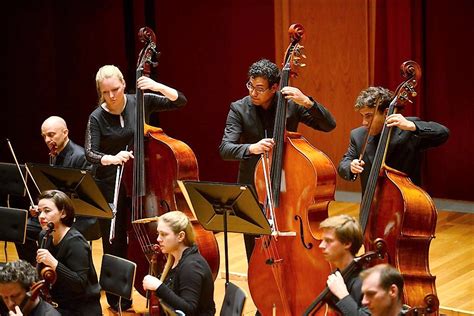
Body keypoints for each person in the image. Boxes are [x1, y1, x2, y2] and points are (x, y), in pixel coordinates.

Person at [84, 64, 187, 311]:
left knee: (155, 236)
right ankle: (118, 299)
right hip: (111, 184)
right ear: (100, 92)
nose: (112, 96)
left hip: (142, 183)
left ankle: (161, 290)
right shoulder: (97, 117)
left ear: (123, 85)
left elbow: (180, 101)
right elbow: (90, 152)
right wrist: (109, 158)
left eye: (116, 89)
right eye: (106, 92)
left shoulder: (139, 101)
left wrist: (156, 86)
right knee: (115, 242)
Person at [219, 58, 336, 261]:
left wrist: (307, 102)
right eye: (250, 85)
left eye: (260, 88)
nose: (253, 93)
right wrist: (251, 148)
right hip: (253, 186)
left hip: (288, 182)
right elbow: (225, 149)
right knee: (253, 244)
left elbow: (328, 125)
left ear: (275, 87)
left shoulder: (291, 106)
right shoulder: (238, 109)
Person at [15, 116, 100, 266]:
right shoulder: (54, 153)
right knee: (20, 229)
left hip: (80, 217)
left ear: (65, 132)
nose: (47, 140)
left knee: (52, 232)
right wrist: (42, 209)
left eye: (51, 134)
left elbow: (86, 197)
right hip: (57, 213)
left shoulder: (81, 157)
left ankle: (58, 272)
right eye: (44, 136)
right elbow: (54, 193)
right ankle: (36, 273)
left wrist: (51, 210)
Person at [338, 86, 450, 195]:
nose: (364, 122)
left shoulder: (408, 129)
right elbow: (344, 164)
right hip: (372, 206)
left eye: (369, 116)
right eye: (362, 116)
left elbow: (443, 133)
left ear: (386, 113)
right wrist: (350, 166)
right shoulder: (358, 135)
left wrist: (412, 126)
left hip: (407, 201)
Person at [35, 190, 101, 315]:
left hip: (80, 308)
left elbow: (79, 285)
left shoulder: (76, 242)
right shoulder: (44, 235)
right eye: (39, 211)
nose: (41, 216)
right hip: (57, 302)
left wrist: (54, 263)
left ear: (63, 213)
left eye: (47, 211)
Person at [142, 211, 215, 316]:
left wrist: (159, 287)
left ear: (180, 236)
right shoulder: (173, 259)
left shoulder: (191, 266)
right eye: (158, 234)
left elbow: (189, 310)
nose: (158, 239)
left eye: (164, 234)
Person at [317, 215, 370, 315]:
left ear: (347, 243)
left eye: (328, 241)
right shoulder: (335, 277)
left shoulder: (368, 282)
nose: (321, 245)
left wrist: (342, 294)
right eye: (322, 240)